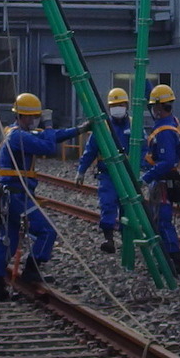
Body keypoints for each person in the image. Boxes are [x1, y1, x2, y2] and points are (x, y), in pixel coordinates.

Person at [0, 94, 87, 301]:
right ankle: (33, 268)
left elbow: (53, 136)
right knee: (46, 231)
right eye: (33, 118)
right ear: (23, 117)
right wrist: (49, 124)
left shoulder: (15, 132)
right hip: (17, 197)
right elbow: (48, 145)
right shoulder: (19, 137)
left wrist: (79, 130)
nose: (35, 122)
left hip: (11, 195)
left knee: (8, 241)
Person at [75, 87, 130, 254]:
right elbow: (90, 150)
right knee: (107, 203)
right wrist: (81, 170)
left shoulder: (134, 125)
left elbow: (142, 149)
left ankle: (127, 240)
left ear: (127, 105)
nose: (118, 108)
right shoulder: (102, 127)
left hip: (127, 174)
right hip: (107, 173)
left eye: (121, 104)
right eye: (114, 105)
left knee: (128, 207)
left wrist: (143, 170)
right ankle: (109, 239)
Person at [141, 84, 180, 276]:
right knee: (159, 221)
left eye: (153, 106)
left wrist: (146, 178)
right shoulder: (171, 121)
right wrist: (145, 85)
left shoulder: (165, 132)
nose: (152, 110)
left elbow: (167, 161)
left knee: (163, 222)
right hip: (164, 182)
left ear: (159, 108)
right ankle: (170, 259)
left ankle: (175, 262)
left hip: (163, 184)